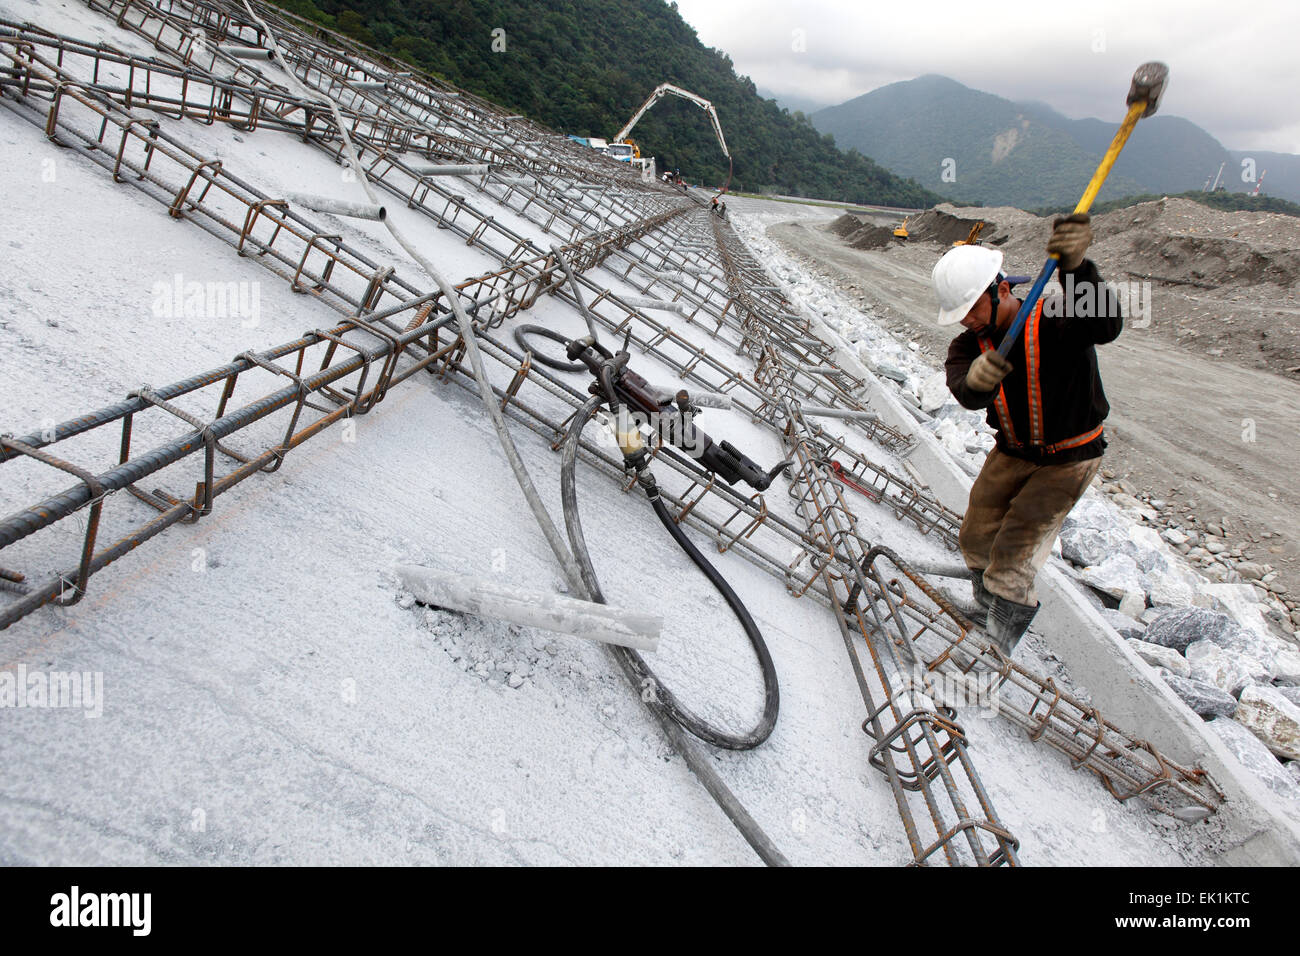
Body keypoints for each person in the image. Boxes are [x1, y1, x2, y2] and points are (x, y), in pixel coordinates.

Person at [935, 214, 1121, 656]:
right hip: (1013, 451)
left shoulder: (1055, 317)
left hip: (1068, 458)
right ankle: (987, 610)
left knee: (1015, 554)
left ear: (1001, 290)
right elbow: (965, 392)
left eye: (972, 310)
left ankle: (997, 649)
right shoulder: (968, 345)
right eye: (959, 316)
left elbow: (1106, 325)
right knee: (976, 537)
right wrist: (976, 383)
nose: (967, 322)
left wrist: (1078, 268)